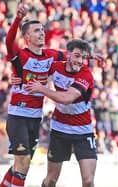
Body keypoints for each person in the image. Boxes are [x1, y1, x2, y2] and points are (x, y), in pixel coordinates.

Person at [0, 3, 66, 187]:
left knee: (20, 167)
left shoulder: (51, 55)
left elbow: (71, 56)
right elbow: (8, 40)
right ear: (27, 36)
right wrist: (18, 18)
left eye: (43, 30)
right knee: (23, 163)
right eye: (37, 31)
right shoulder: (20, 56)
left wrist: (90, 56)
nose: (42, 33)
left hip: (35, 118)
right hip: (18, 116)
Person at [25, 39, 97, 187]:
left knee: (88, 181)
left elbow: (66, 98)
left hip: (83, 131)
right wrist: (19, 78)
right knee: (51, 180)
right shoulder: (56, 67)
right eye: (77, 56)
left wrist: (42, 89)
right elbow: (33, 68)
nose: (80, 61)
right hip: (60, 129)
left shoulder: (86, 75)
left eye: (84, 58)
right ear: (68, 54)